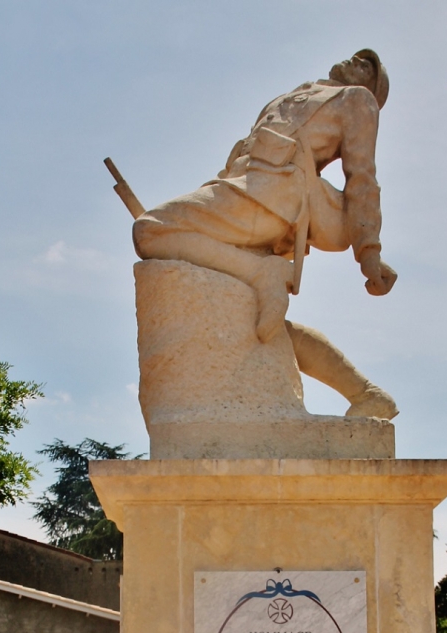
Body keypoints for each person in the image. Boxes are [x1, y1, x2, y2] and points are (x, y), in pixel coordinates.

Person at [132, 50, 398, 419]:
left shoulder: (358, 99)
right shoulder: (296, 94)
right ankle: (366, 394)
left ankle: (261, 272)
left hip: (273, 196)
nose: (353, 61)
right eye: (356, 58)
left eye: (365, 65)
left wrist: (369, 252)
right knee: (262, 324)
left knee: (150, 230)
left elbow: (362, 178)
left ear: (370, 84)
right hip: (246, 187)